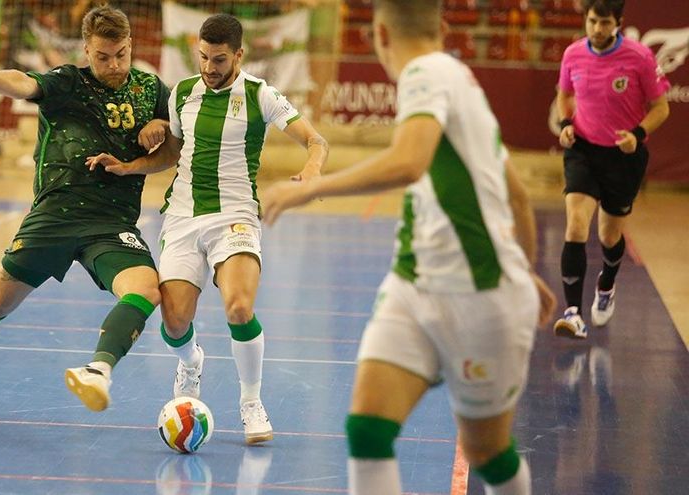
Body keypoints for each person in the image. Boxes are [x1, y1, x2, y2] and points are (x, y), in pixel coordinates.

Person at [261, 1, 556, 494]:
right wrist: (522, 268)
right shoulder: (462, 86)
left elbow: (409, 161)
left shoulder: (427, 71)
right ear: (443, 26)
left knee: (487, 451)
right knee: (368, 429)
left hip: (478, 294)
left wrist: (311, 188)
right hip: (415, 284)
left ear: (379, 33)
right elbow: (517, 196)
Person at [0, 5, 171, 414]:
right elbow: (22, 82)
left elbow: (175, 146)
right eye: (103, 57)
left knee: (146, 289)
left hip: (111, 222)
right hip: (55, 215)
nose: (114, 65)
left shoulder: (151, 89)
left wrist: (162, 128)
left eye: (121, 54)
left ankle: (98, 370)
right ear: (87, 50)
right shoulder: (68, 82)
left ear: (131, 45)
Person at [87, 13, 328, 444]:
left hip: (234, 215)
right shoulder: (183, 93)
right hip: (182, 216)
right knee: (175, 322)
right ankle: (191, 362)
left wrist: (312, 170)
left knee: (239, 308)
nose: (209, 68)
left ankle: (250, 402)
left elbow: (316, 141)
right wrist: (129, 167)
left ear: (238, 55)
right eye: (203, 57)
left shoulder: (259, 94)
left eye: (219, 60)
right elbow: (171, 154)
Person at [553, 0, 670, 339]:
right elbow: (565, 96)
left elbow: (661, 107)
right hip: (583, 151)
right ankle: (573, 314)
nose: (597, 29)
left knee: (608, 236)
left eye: (605, 23)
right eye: (592, 21)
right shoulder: (573, 54)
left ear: (618, 22)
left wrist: (637, 135)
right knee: (576, 224)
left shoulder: (640, 57)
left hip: (622, 156)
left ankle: (606, 284)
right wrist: (566, 124)